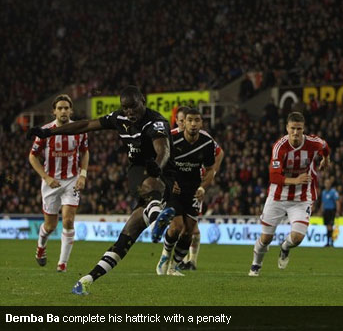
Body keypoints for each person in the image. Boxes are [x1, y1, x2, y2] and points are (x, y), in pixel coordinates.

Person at [28, 85, 175, 295]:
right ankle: (87, 279)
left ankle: (156, 212)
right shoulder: (120, 118)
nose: (130, 112)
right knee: (128, 234)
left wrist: (157, 166)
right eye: (126, 108)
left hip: (162, 174)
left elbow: (164, 149)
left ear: (143, 100)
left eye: (133, 107)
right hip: (139, 172)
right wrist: (49, 132)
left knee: (150, 183)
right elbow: (86, 124)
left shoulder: (157, 122)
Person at [248, 112, 330, 277]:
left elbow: (325, 147)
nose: (295, 132)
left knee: (298, 237)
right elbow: (274, 176)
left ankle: (285, 247)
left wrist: (325, 159)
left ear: (303, 129)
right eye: (292, 128)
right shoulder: (280, 147)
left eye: (299, 129)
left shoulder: (313, 143)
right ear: (287, 128)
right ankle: (256, 264)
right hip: (278, 197)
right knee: (265, 239)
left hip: (302, 197)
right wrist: (296, 180)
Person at [156, 106, 225, 271]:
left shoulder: (207, 143)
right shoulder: (172, 140)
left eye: (197, 120)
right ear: (183, 123)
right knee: (177, 226)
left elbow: (210, 169)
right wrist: (170, 182)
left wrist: (203, 187)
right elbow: (161, 164)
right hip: (174, 188)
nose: (193, 124)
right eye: (189, 120)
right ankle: (164, 257)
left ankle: (175, 266)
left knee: (190, 231)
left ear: (201, 123)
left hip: (193, 189)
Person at [28, 94, 89, 272]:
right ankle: (41, 246)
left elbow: (85, 152)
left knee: (69, 220)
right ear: (54, 111)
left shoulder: (79, 130)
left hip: (71, 180)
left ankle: (62, 264)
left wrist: (83, 175)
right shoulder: (45, 131)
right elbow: (33, 156)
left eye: (66, 108)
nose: (63, 111)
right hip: (51, 183)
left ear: (71, 110)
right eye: (60, 108)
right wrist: (46, 177)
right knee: (50, 226)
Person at [321, 178, 340, 247]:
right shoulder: (323, 192)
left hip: (331, 211)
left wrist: (337, 211)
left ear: (330, 184)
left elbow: (337, 202)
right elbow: (323, 202)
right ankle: (328, 242)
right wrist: (321, 210)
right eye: (326, 183)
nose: (327, 184)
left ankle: (331, 242)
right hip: (326, 211)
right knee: (327, 227)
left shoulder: (333, 192)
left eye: (328, 183)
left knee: (330, 226)